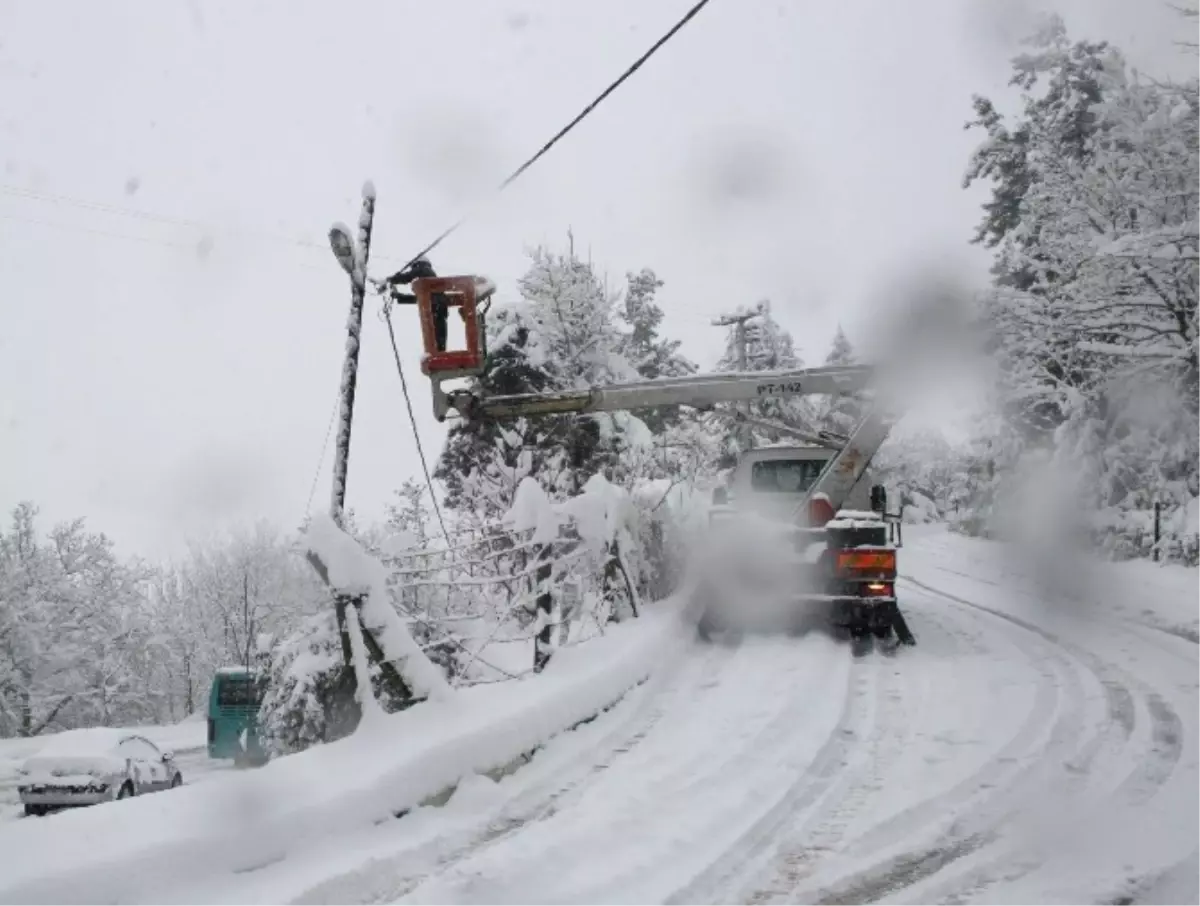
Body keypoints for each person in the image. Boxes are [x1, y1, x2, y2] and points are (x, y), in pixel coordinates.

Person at [385, 256, 448, 352]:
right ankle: (439, 352)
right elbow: (419, 299)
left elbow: (408, 277)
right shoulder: (428, 281)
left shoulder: (424, 270)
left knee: (434, 335)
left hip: (434, 307)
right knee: (438, 336)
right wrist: (399, 296)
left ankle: (438, 352)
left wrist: (393, 279)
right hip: (437, 308)